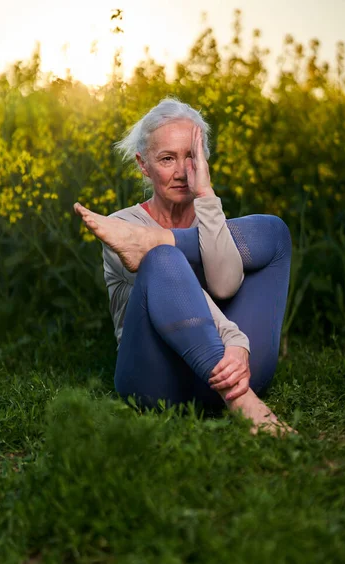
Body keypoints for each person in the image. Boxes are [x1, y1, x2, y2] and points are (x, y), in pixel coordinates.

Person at [74, 98, 295, 435]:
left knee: (274, 232)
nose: (181, 172)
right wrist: (235, 339)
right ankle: (243, 403)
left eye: (191, 157)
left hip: (234, 368)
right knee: (163, 259)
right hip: (158, 381)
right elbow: (184, 289)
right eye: (166, 159)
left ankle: (159, 241)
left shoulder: (210, 221)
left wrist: (205, 193)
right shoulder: (121, 226)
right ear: (143, 165)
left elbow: (224, 286)